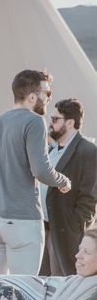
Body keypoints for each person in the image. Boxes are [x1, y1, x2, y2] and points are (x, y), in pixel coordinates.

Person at [0, 69, 72, 275]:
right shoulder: (34, 122)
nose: (49, 99)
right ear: (33, 96)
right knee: (25, 290)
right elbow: (41, 171)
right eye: (47, 94)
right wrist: (63, 182)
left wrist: (1, 190)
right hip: (23, 220)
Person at [40, 98, 97, 276]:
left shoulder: (88, 151)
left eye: (55, 119)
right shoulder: (50, 149)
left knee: (62, 285)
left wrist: (75, 224)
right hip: (42, 228)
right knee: (40, 284)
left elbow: (90, 197)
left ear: (70, 122)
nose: (51, 123)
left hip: (65, 232)